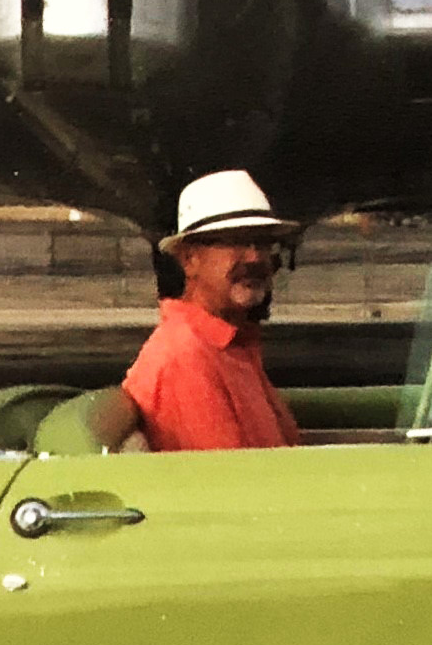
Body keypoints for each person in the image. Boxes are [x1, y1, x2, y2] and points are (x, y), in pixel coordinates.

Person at [122, 169, 304, 452]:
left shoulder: (227, 345)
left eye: (264, 242)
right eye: (236, 241)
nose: (255, 257)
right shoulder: (185, 357)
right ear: (189, 259)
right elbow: (231, 485)